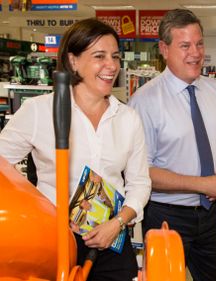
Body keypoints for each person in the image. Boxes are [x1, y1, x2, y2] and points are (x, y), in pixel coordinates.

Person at [0, 18, 151, 280]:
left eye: (114, 56)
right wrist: (31, 212)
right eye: (99, 56)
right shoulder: (39, 111)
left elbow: (140, 184)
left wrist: (117, 224)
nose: (111, 65)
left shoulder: (128, 118)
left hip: (111, 240)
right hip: (52, 241)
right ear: (72, 61)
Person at [128, 9, 216, 281]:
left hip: (211, 216)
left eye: (199, 44)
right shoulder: (145, 101)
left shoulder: (214, 91)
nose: (195, 53)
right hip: (166, 217)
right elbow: (142, 172)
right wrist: (203, 184)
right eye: (184, 45)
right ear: (164, 49)